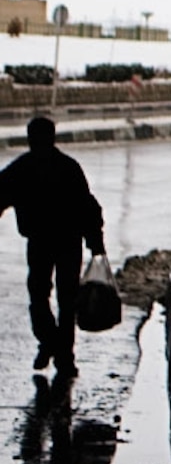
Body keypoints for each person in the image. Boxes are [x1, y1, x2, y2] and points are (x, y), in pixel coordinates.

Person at [0, 115, 106, 379]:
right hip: (67, 243)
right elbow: (89, 208)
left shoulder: (21, 168)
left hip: (41, 242)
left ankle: (50, 342)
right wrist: (96, 243)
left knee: (39, 295)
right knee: (65, 300)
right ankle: (63, 354)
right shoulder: (68, 167)